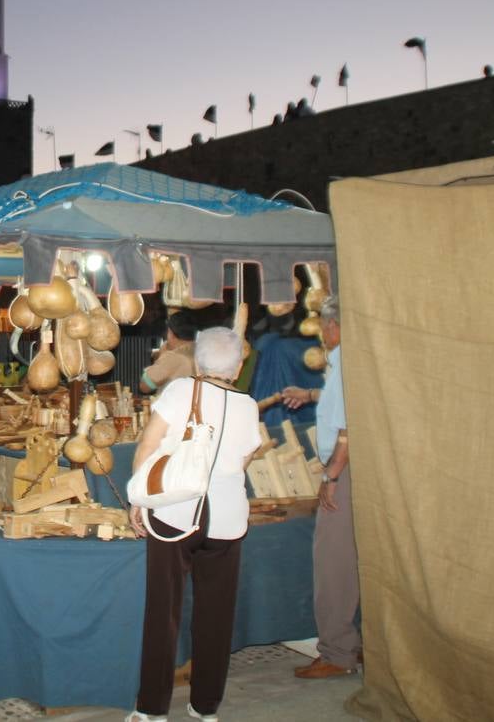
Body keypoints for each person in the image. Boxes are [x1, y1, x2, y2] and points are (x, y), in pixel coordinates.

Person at [127, 328, 263, 722]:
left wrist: (139, 498)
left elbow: (148, 445)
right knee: (216, 615)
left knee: (162, 612)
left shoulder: (180, 391)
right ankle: (205, 707)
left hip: (173, 512)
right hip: (226, 519)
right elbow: (244, 459)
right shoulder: (249, 406)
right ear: (237, 368)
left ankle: (151, 709)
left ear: (198, 363)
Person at [281, 295, 360, 678]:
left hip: (346, 471)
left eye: (325, 327)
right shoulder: (353, 358)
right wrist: (311, 394)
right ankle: (350, 646)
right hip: (355, 469)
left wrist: (331, 474)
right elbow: (339, 403)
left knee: (334, 561)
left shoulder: (347, 357)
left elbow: (349, 424)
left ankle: (338, 652)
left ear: (333, 327)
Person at [139, 311, 197, 395]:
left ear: (170, 333)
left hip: (175, 406)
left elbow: (145, 386)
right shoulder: (200, 349)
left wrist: (162, 355)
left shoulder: (173, 357)